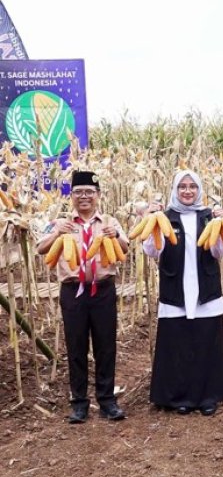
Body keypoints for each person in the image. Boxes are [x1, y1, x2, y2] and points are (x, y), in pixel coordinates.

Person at [36, 171, 128, 423]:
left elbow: (125, 249)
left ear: (97, 195)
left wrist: (116, 236)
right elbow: (40, 248)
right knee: (76, 346)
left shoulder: (110, 221)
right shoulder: (60, 222)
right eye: (78, 192)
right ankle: (79, 402)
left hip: (103, 290)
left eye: (89, 192)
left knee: (105, 346)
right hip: (73, 291)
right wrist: (56, 233)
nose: (84, 197)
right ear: (72, 196)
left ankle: (107, 400)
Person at [142, 170, 223, 416]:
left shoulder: (208, 216)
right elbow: (151, 250)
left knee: (204, 343)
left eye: (192, 186)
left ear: (199, 190)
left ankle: (207, 397)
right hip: (175, 289)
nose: (188, 191)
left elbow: (220, 252)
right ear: (175, 190)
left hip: (205, 290)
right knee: (177, 345)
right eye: (182, 187)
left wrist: (222, 224)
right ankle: (179, 397)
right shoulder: (165, 217)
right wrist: (150, 219)